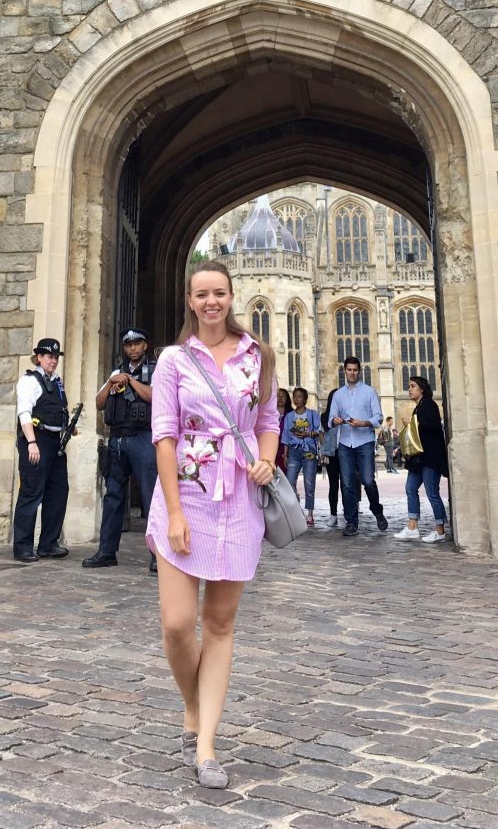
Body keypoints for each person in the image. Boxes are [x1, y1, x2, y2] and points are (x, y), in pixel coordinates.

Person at [146, 260, 279, 790]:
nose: (211, 302)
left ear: (231, 296)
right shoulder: (173, 360)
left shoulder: (258, 355)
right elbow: (164, 435)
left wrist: (266, 459)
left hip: (239, 498)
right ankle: (192, 705)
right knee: (178, 623)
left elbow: (267, 420)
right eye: (202, 294)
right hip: (187, 495)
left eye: (219, 293)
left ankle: (206, 745)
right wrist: (175, 511)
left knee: (220, 624)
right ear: (190, 300)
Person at [83, 327, 159, 573]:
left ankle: (158, 555)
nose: (133, 348)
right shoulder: (117, 372)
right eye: (128, 345)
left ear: (145, 345)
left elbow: (154, 396)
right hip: (117, 438)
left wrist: (131, 382)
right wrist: (111, 383)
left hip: (143, 437)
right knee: (113, 495)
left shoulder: (155, 370)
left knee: (151, 496)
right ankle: (107, 551)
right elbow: (99, 403)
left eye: (137, 344)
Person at [13, 337, 71, 563]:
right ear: (39, 357)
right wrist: (31, 442)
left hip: (55, 442)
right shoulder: (29, 381)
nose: (53, 361)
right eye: (49, 357)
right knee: (31, 493)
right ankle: (22, 547)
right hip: (37, 441)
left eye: (56, 357)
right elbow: (24, 413)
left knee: (58, 492)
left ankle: (48, 544)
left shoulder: (56, 382)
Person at [330, 356, 387, 537]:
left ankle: (377, 510)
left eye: (355, 370)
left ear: (359, 371)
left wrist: (363, 423)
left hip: (364, 442)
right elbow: (330, 418)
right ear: (344, 371)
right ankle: (351, 522)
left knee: (368, 481)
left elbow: (378, 417)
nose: (352, 373)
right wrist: (335, 420)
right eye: (349, 370)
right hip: (345, 442)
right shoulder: (338, 395)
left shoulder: (370, 392)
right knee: (347, 484)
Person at [394, 375, 449, 543]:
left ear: (422, 389)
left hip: (430, 458)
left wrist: (412, 423)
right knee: (410, 488)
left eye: (412, 386)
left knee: (432, 493)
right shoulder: (418, 407)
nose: (409, 389)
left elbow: (433, 426)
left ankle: (440, 530)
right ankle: (412, 527)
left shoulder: (429, 405)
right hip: (418, 459)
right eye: (409, 386)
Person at [281, 386, 321, 527]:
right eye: (294, 397)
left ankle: (310, 514)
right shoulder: (289, 416)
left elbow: (319, 431)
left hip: (309, 450)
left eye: (299, 397)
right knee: (290, 481)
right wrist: (285, 455)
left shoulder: (312, 414)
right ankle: (296, 508)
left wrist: (308, 434)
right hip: (293, 451)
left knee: (309, 483)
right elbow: (285, 436)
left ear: (305, 399)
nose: (296, 399)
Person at [321, 387, 344, 528]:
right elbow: (323, 435)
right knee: (333, 485)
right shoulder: (325, 417)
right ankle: (333, 515)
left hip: (346, 453)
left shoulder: (347, 415)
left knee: (347, 485)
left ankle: (349, 514)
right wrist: (323, 452)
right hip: (332, 454)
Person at [275, 388, 292, 475]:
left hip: (285, 451)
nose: (280, 398)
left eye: (283, 396)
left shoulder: (292, 414)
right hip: (271, 449)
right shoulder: (268, 413)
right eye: (278, 396)